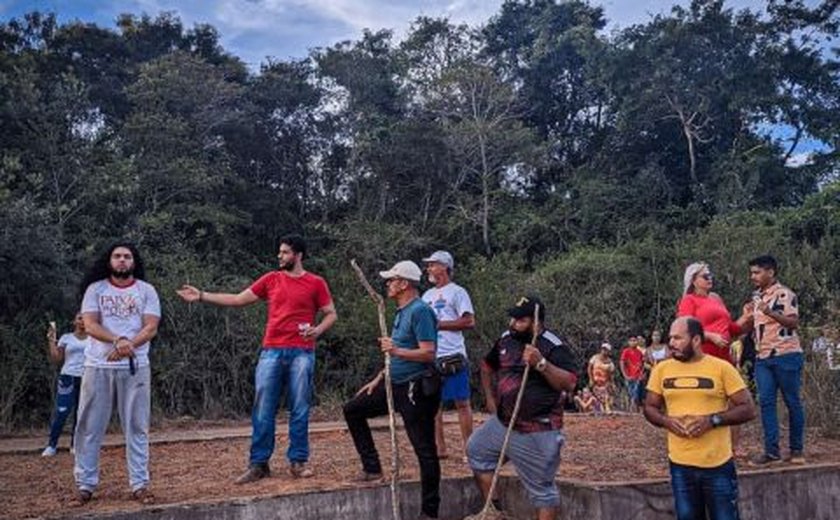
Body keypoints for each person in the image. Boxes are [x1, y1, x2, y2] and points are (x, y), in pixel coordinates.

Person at [176, 234, 337, 483]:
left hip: (302, 352)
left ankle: (298, 461)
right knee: (263, 408)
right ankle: (259, 464)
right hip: (271, 351)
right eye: (280, 252)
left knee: (300, 407)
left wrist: (317, 330)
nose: (280, 256)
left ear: (298, 255)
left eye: (284, 252)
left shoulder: (316, 282)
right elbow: (239, 299)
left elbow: (330, 314)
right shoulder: (271, 279)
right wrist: (202, 295)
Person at [343, 260, 441, 519]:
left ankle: (430, 512)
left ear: (404, 283)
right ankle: (372, 467)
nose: (387, 284)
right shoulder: (402, 311)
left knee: (424, 448)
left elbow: (428, 353)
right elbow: (398, 352)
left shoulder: (420, 311)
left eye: (392, 280)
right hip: (393, 382)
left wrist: (394, 350)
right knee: (353, 410)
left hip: (415, 388)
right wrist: (380, 375)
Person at [468, 296, 577, 520]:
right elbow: (486, 366)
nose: (513, 323)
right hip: (504, 423)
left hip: (538, 430)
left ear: (536, 323)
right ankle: (494, 511)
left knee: (542, 492)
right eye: (513, 318)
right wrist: (490, 398)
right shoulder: (506, 339)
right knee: (477, 450)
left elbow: (569, 383)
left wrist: (541, 364)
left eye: (520, 320)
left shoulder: (553, 346)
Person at [644, 317, 756, 520]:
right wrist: (666, 421)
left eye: (678, 338)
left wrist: (712, 421)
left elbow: (748, 409)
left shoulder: (722, 368)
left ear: (696, 340)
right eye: (671, 338)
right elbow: (649, 408)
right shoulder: (662, 370)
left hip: (718, 465)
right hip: (680, 465)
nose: (671, 343)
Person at [74, 243, 161, 505]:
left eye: (127, 256)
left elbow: (151, 327)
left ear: (134, 261)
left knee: (137, 426)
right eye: (117, 256)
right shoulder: (95, 289)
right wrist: (118, 340)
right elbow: (89, 324)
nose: (122, 260)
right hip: (98, 365)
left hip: (135, 367)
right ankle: (85, 484)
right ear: (109, 260)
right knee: (89, 426)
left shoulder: (146, 290)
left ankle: (140, 484)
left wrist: (127, 346)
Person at [741, 255, 805, 466]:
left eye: (757, 272)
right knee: (766, 403)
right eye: (752, 273)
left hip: (786, 354)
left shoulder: (784, 294)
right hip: (763, 357)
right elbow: (752, 329)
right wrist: (748, 316)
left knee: (792, 401)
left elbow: (793, 322)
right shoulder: (757, 298)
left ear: (770, 272)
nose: (753, 277)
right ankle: (771, 452)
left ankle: (797, 450)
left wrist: (770, 312)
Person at [421, 250, 475, 460]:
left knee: (462, 402)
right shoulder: (427, 296)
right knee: (434, 405)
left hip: (453, 355)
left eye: (433, 265)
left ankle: (469, 449)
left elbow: (469, 321)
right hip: (432, 356)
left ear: (444, 267)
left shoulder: (458, 292)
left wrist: (439, 325)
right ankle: (439, 448)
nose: (429, 269)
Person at [42, 314, 89, 457]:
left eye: (86, 318)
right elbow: (57, 358)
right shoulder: (66, 338)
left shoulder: (94, 339)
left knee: (81, 414)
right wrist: (51, 340)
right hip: (67, 377)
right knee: (62, 410)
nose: (83, 321)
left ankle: (75, 445)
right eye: (80, 318)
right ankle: (52, 445)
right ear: (74, 321)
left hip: (87, 377)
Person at [677, 262, 742, 363]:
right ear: (694, 281)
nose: (710, 278)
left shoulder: (716, 298)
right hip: (703, 353)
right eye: (705, 276)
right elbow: (685, 328)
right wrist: (711, 336)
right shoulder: (689, 300)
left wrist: (747, 317)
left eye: (710, 275)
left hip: (724, 355)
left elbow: (730, 327)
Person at [619, 336, 646, 412]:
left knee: (636, 395)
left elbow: (643, 364)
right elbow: (622, 363)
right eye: (631, 340)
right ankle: (631, 411)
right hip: (629, 377)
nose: (633, 342)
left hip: (638, 377)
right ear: (628, 342)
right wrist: (625, 375)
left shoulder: (639, 352)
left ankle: (635, 412)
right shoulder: (626, 351)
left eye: (634, 340)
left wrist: (642, 374)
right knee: (631, 394)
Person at [588, 343, 615, 412]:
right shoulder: (594, 358)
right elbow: (589, 368)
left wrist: (611, 383)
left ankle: (606, 409)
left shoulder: (610, 362)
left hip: (604, 382)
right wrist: (591, 379)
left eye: (606, 350)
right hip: (595, 381)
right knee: (596, 396)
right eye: (603, 349)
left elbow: (611, 374)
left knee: (606, 396)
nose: (604, 351)